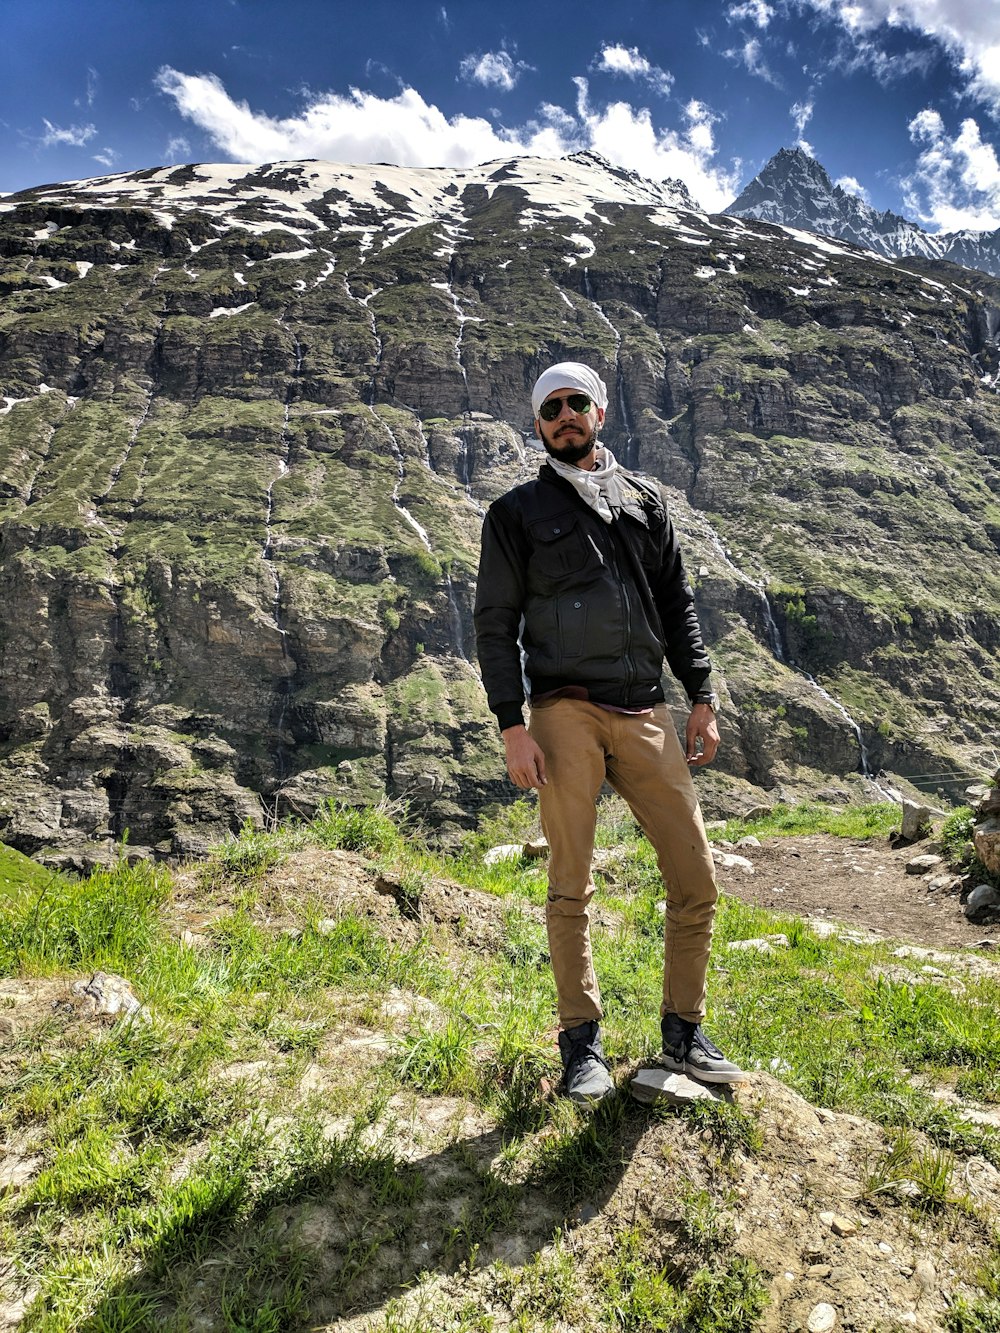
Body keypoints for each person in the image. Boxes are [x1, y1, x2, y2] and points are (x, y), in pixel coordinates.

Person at [474, 361, 746, 1103]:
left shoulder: (646, 501)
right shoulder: (516, 513)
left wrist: (702, 695)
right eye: (550, 408)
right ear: (538, 425)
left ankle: (684, 1030)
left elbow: (677, 603)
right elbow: (494, 627)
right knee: (571, 883)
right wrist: (512, 725)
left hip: (645, 707)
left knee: (696, 878)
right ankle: (580, 1043)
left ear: (600, 411)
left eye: (576, 404)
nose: (565, 416)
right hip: (564, 707)